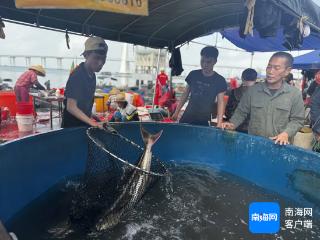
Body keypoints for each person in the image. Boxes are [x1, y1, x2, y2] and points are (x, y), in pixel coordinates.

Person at [222, 52, 305, 145]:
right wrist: (232, 124)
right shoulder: (253, 91)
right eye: (269, 67)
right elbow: (241, 112)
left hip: (279, 147)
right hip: (254, 144)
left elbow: (298, 120)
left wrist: (286, 133)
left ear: (287, 71)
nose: (270, 71)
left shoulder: (294, 94)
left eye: (276, 68)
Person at [172, 46, 227, 127]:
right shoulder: (193, 74)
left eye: (208, 62)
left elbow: (220, 103)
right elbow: (185, 94)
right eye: (202, 61)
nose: (205, 64)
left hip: (204, 119)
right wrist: (176, 112)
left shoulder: (220, 80)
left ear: (215, 61)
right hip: (187, 116)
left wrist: (219, 123)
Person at [61, 36, 108, 128]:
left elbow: (83, 104)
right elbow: (71, 107)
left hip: (84, 124)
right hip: (71, 126)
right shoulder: (77, 75)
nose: (100, 63)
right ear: (86, 55)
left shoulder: (92, 75)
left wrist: (95, 117)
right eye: (96, 58)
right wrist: (93, 123)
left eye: (103, 59)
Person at [225, 68, 257, 133]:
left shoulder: (234, 92)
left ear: (242, 78)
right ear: (255, 79)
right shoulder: (260, 93)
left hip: (234, 127)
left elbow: (228, 112)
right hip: (249, 129)